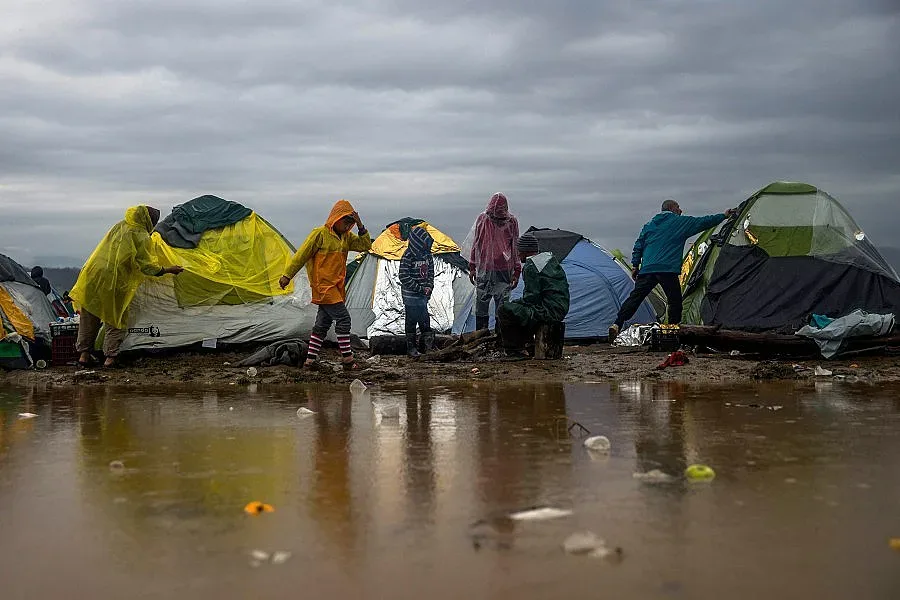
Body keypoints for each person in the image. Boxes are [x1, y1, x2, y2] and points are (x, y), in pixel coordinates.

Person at [70, 206, 185, 368]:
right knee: (115, 317)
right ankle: (110, 358)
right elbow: (147, 266)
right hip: (115, 280)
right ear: (148, 220)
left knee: (90, 315)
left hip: (92, 275)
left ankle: (84, 356)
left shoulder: (120, 226)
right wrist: (167, 270)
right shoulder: (140, 235)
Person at [608, 199, 735, 343]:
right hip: (667, 269)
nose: (681, 210)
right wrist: (723, 215)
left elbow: (639, 245)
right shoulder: (679, 222)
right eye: (678, 207)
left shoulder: (649, 225)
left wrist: (635, 265)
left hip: (647, 269)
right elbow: (703, 222)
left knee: (635, 298)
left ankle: (617, 324)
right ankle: (672, 332)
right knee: (674, 301)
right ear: (671, 208)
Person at [279, 200, 371, 371]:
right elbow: (301, 256)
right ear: (335, 218)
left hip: (336, 287)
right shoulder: (319, 234)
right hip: (323, 287)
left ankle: (310, 361)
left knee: (322, 324)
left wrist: (360, 225)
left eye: (350, 224)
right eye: (346, 222)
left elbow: (366, 246)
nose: (347, 227)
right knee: (343, 319)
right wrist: (287, 275)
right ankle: (347, 359)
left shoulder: (346, 238)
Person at [496, 233, 570, 358]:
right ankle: (529, 345)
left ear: (525, 251)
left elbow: (532, 298)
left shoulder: (531, 266)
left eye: (519, 251)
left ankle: (515, 350)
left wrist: (515, 303)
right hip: (560, 307)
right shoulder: (549, 259)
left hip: (548, 310)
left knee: (505, 310)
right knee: (520, 310)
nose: (518, 255)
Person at [463, 192, 521, 331]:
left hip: (501, 270)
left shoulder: (510, 222)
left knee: (501, 307)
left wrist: (517, 271)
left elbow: (515, 247)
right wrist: (472, 267)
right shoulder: (484, 219)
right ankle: (482, 339)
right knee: (484, 306)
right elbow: (477, 244)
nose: (497, 218)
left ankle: (499, 340)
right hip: (487, 269)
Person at [399, 226, 435, 358]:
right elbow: (403, 276)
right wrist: (419, 288)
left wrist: (430, 286)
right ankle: (411, 348)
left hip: (423, 296)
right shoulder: (408, 255)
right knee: (411, 321)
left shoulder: (427, 255)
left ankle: (426, 347)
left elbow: (431, 272)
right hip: (411, 297)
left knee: (425, 320)